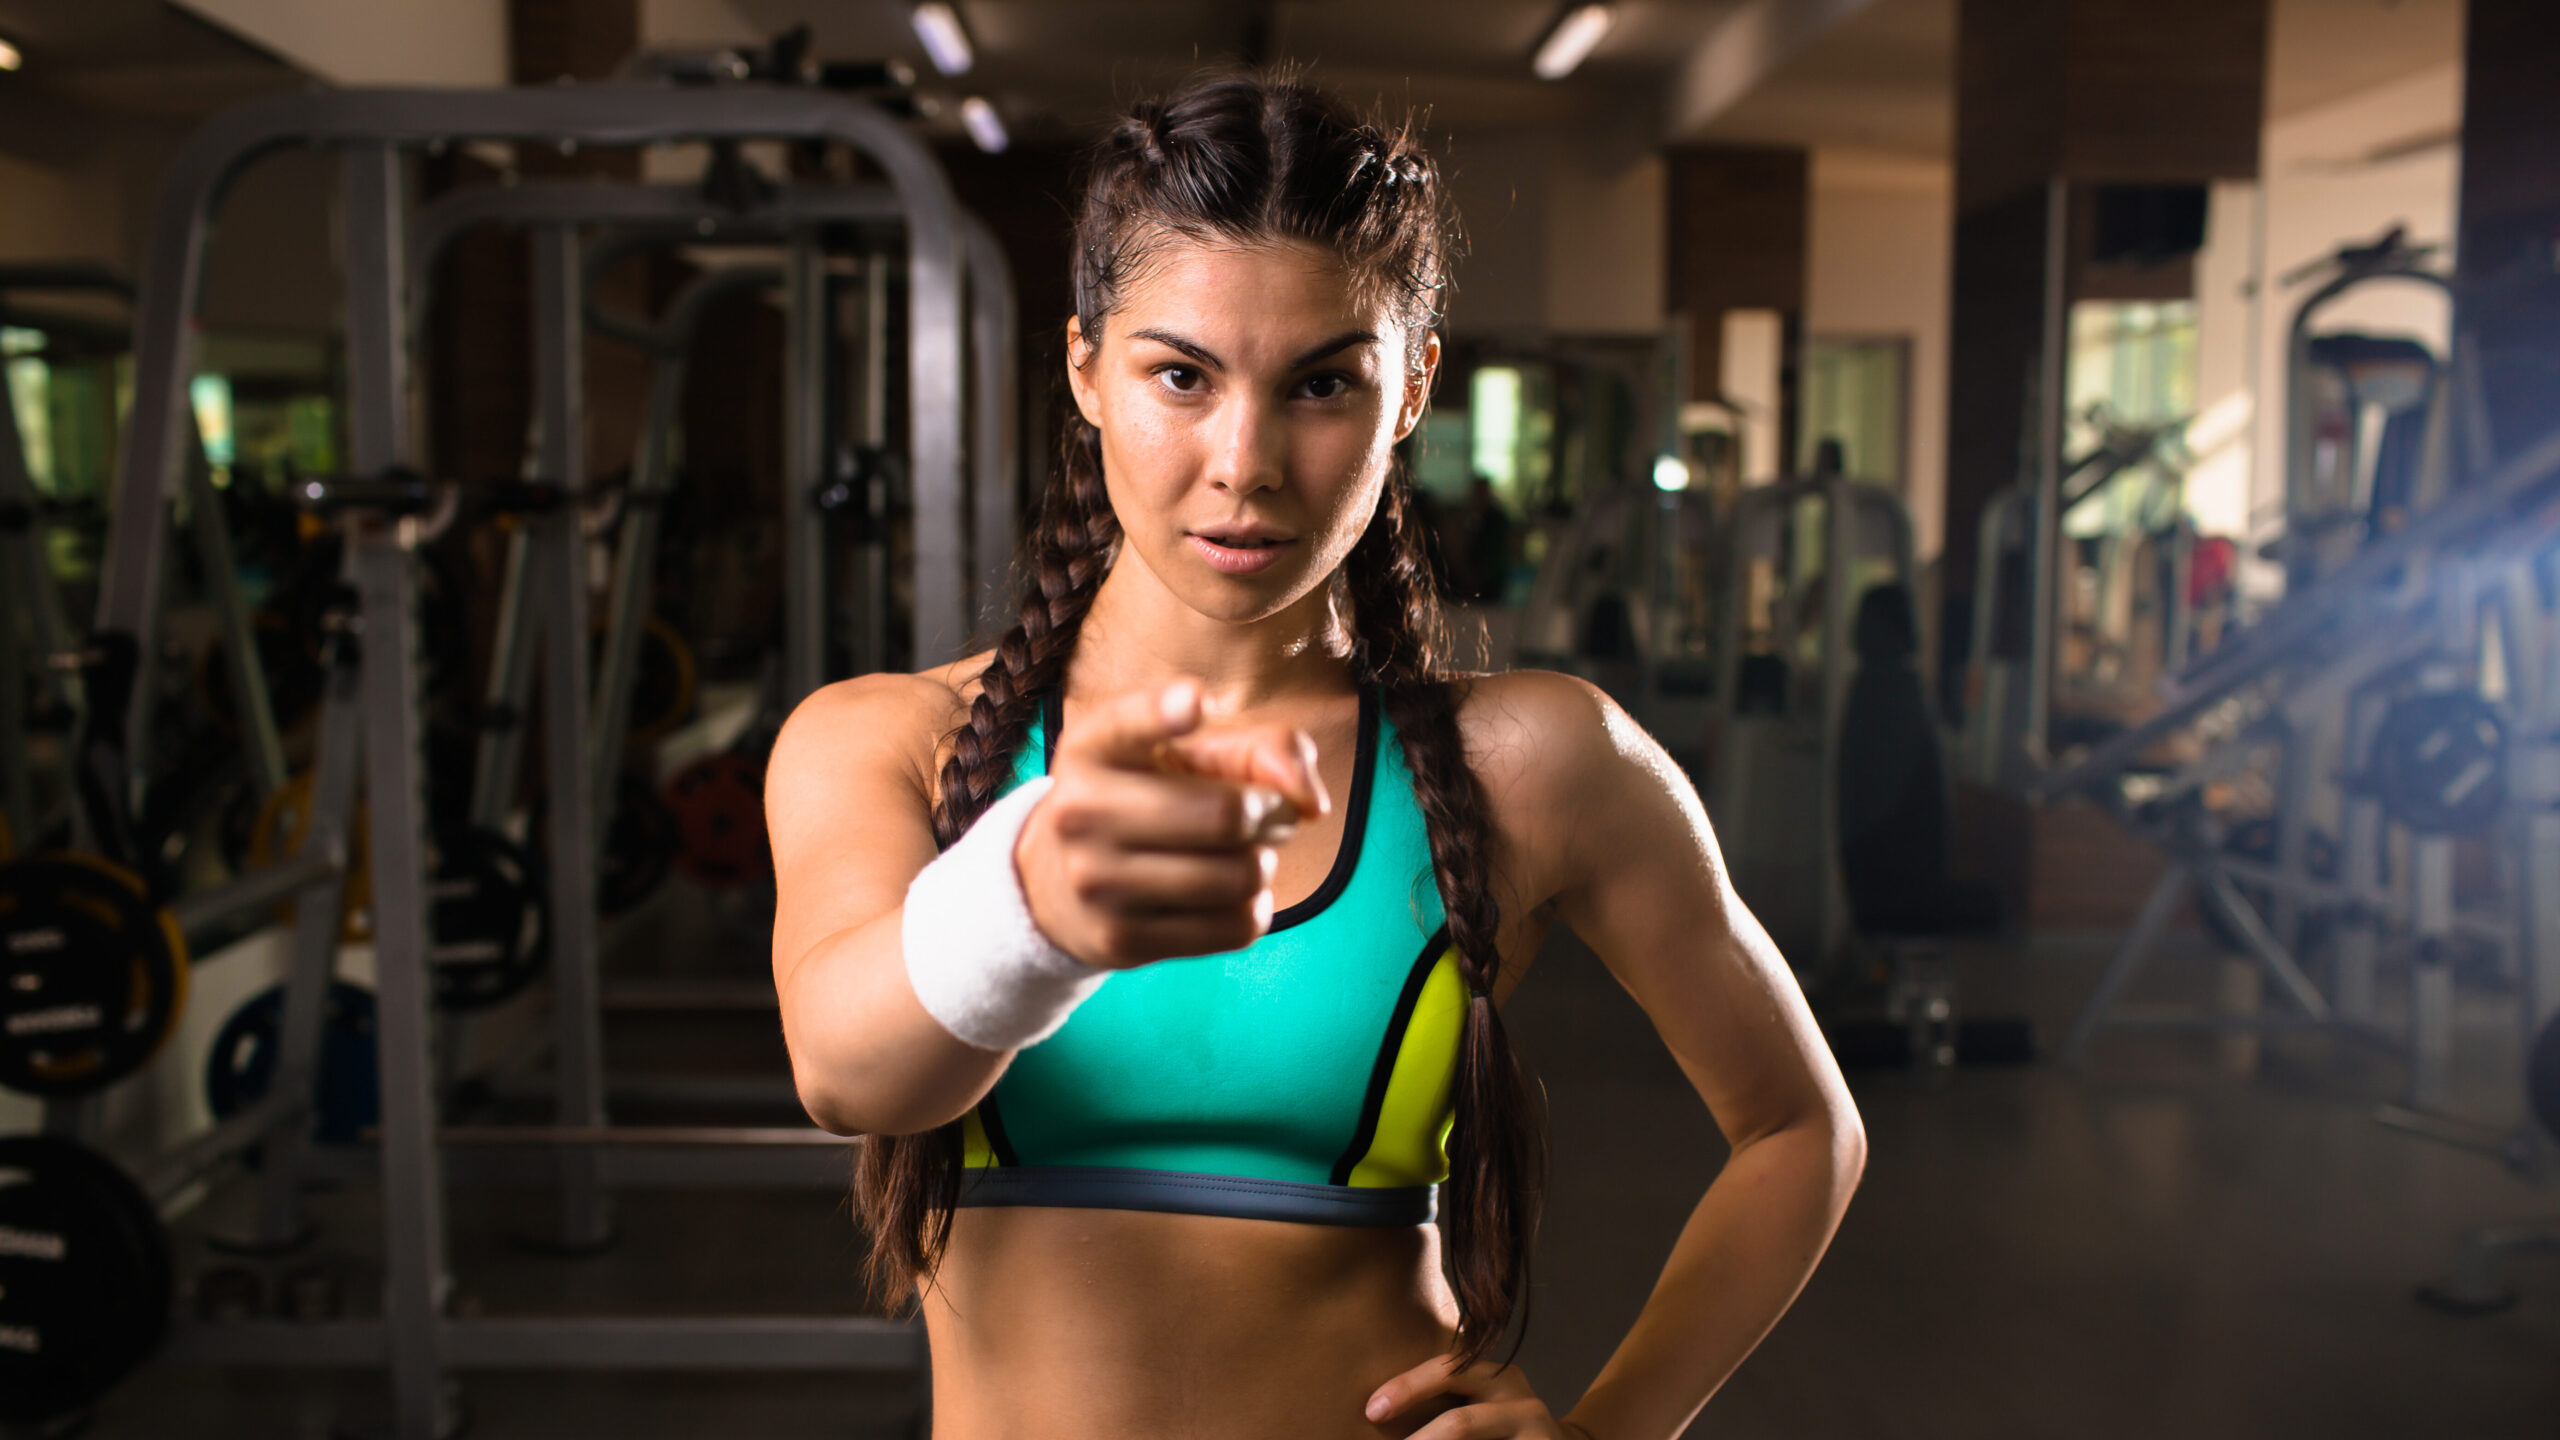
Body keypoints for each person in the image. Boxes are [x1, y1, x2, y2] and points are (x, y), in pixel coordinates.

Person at [766, 72, 1864, 1440]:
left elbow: (1799, 1131)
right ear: (1085, 371)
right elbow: (847, 1076)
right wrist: (1029, 908)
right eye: (1182, 375)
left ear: (1413, 393)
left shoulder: (1537, 761)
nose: (1249, 461)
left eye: (1324, 382)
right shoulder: (891, 745)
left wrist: (1607, 1433)